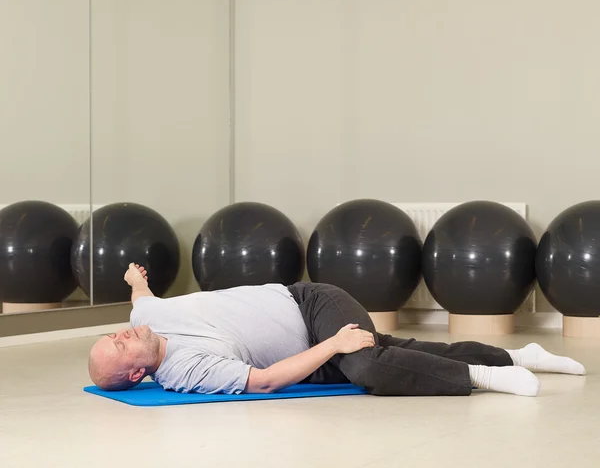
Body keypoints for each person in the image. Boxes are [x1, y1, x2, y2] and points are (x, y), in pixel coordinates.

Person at [89, 263, 586, 397]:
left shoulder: (144, 319)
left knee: (367, 363)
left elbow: (140, 300)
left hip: (310, 303)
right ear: (137, 375)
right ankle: (519, 358)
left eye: (115, 334)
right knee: (392, 353)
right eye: (119, 345)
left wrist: (136, 281)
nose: (122, 333)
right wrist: (334, 344)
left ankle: (486, 378)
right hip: (311, 351)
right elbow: (263, 381)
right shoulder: (183, 370)